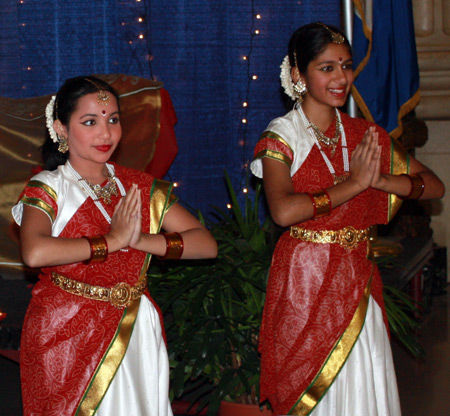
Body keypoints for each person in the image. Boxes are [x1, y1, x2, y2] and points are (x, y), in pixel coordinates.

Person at [250, 22, 444, 416]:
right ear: (298, 76)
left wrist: (384, 179)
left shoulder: (362, 134)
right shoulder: (282, 136)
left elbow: (434, 186)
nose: (341, 78)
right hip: (305, 280)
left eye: (346, 65)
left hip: (357, 280)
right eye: (327, 68)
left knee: (361, 380)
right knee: (314, 385)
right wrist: (354, 185)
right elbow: (284, 210)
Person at [12, 76, 218, 416]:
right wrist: (110, 242)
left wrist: (138, 240)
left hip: (133, 326)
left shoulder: (138, 186)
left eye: (113, 120)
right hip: (66, 332)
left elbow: (205, 244)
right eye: (89, 122)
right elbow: (35, 252)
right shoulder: (48, 187)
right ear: (61, 129)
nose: (105, 133)